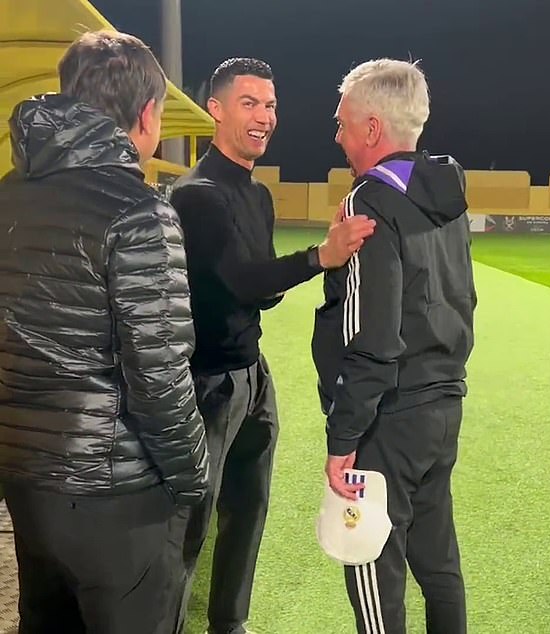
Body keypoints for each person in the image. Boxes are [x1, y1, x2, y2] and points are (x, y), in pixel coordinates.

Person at [0, 30, 209, 634]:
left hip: (27, 484)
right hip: (116, 495)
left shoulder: (8, 197)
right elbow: (159, 374)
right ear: (147, 116)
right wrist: (193, 479)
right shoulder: (138, 209)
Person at [169, 57, 375, 634]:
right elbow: (241, 280)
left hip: (251, 374)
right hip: (204, 382)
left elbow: (259, 293)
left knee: (248, 508)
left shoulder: (256, 197)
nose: (265, 117)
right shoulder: (197, 195)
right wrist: (320, 258)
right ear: (216, 109)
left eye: (271, 105)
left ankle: (228, 623)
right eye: (250, 103)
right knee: (193, 520)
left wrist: (275, 278)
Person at [312, 58, 476, 634]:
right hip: (442, 404)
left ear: (372, 129)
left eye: (342, 123)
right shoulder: (447, 193)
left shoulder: (371, 203)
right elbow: (464, 300)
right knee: (438, 563)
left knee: (372, 568)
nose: (337, 135)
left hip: (389, 414)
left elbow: (373, 339)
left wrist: (344, 436)